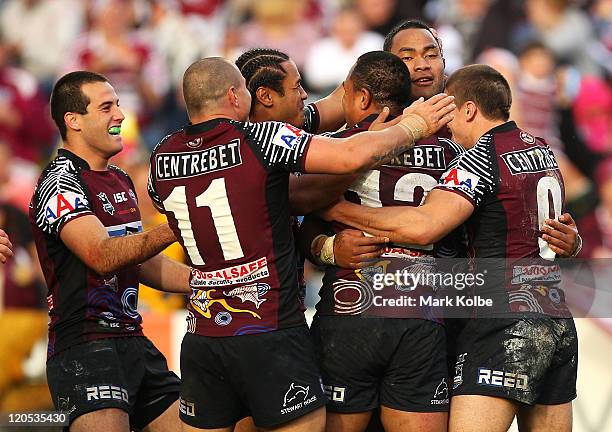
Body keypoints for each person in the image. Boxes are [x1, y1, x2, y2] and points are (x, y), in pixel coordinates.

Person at [147, 56, 455, 432]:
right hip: (269, 326)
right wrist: (413, 124)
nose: (305, 97)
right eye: (296, 88)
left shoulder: (162, 154)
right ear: (236, 95)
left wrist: (325, 248)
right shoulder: (262, 138)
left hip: (203, 335)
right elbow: (343, 159)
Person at [322, 64, 579, 432]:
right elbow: (552, 228)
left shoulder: (478, 156)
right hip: (556, 318)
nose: (447, 127)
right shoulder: (541, 150)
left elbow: (425, 225)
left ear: (470, 109)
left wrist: (338, 209)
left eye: (450, 113)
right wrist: (577, 241)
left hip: (503, 319)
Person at [29, 71, 191, 432]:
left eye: (117, 104)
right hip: (86, 347)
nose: (120, 115)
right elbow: (102, 255)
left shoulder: (119, 178)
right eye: (106, 107)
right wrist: (177, 226)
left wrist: (209, 282)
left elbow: (141, 261)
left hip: (134, 341)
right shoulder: (59, 183)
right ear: (74, 121)